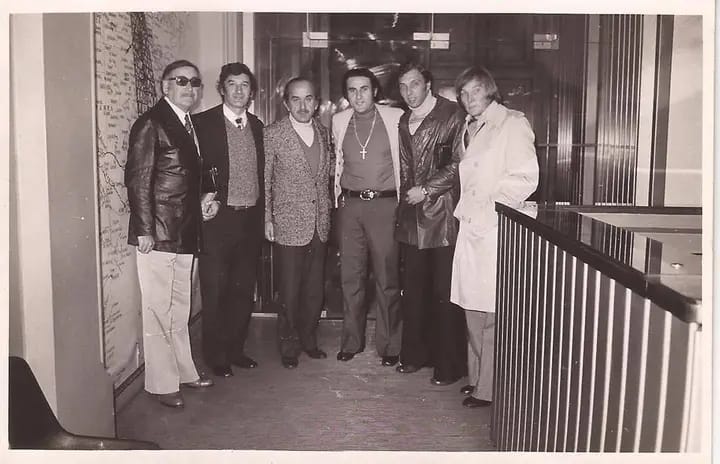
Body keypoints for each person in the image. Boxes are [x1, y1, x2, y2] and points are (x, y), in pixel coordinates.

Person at [125, 59, 215, 408]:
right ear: (165, 86)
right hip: (158, 233)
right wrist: (145, 230)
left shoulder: (187, 123)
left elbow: (188, 176)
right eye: (181, 81)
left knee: (180, 307)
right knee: (158, 309)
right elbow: (138, 179)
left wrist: (206, 199)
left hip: (185, 231)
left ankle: (184, 371)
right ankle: (162, 385)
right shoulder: (151, 123)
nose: (189, 88)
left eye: (195, 82)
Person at [450, 66, 539, 407]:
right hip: (471, 226)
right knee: (472, 306)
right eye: (463, 93)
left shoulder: (512, 123)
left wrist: (491, 207)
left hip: (495, 227)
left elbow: (525, 177)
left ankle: (489, 388)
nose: (468, 98)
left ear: (490, 90)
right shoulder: (469, 125)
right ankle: (477, 379)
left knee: (493, 313)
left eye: (475, 90)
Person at [394, 63, 467, 385]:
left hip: (442, 215)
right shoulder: (403, 120)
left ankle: (447, 365)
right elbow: (405, 169)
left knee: (444, 292)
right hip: (412, 217)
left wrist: (425, 190)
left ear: (428, 84)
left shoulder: (453, 114)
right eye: (402, 86)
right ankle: (414, 355)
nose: (408, 92)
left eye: (414, 84)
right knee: (414, 291)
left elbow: (460, 163)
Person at [193, 62, 265, 378]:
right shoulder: (202, 124)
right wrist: (202, 199)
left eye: (244, 85)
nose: (238, 90)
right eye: (232, 84)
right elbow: (191, 171)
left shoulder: (258, 127)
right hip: (217, 221)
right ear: (222, 89)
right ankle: (215, 355)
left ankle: (236, 349)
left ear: (252, 92)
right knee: (216, 290)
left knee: (242, 290)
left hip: (250, 220)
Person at [332, 67, 404, 366]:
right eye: (352, 90)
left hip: (385, 206)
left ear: (374, 91)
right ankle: (351, 341)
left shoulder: (395, 117)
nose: (358, 95)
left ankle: (390, 346)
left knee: (387, 279)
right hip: (350, 206)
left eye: (364, 89)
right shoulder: (338, 121)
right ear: (346, 95)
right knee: (351, 277)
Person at [264, 78, 332, 369]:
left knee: (314, 289)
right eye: (296, 99)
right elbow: (265, 180)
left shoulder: (323, 132)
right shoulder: (273, 134)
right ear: (286, 103)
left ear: (316, 103)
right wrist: (267, 218)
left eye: (308, 98)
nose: (303, 105)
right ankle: (289, 344)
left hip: (319, 222)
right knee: (290, 290)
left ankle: (309, 339)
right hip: (288, 222)